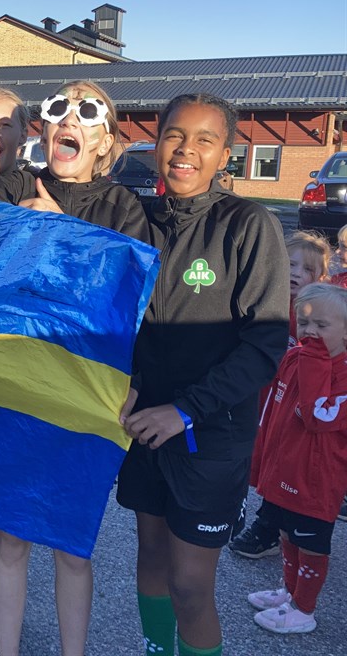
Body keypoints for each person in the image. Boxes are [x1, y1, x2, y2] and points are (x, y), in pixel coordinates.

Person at [0, 81, 147, 656]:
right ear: (44, 130)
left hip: (84, 394)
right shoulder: (16, 185)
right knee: (11, 539)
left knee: (72, 547)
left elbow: (126, 296)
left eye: (87, 111)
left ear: (104, 141)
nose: (70, 118)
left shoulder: (122, 207)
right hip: (15, 388)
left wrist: (59, 234)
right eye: (57, 109)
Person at [116, 93, 289, 656]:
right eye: (174, 135)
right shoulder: (139, 221)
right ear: (157, 143)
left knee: (190, 586)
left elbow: (265, 344)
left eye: (204, 140)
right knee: (150, 557)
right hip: (144, 426)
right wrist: (130, 382)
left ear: (226, 154)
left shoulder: (248, 224)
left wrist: (186, 408)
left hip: (210, 435)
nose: (185, 150)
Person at [247, 282, 347, 634]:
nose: (310, 332)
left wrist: (315, 360)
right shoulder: (296, 357)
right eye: (304, 323)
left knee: (311, 545)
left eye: (322, 325)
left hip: (317, 482)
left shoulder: (336, 370)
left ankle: (304, 609)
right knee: (287, 534)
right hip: (284, 469)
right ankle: (290, 593)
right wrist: (261, 459)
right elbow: (272, 410)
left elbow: (317, 416)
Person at [231, 230, 330, 558]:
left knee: (283, 464)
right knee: (263, 458)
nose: (295, 273)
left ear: (320, 278)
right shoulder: (265, 302)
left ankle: (270, 527)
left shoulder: (316, 315)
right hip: (265, 398)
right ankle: (266, 520)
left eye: (307, 269)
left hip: (295, 404)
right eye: (289, 264)